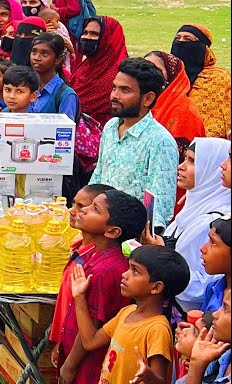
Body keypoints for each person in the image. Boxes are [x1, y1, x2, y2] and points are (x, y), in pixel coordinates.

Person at [50, 188, 143, 384]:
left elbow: (91, 329)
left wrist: (69, 366)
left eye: (95, 209)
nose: (83, 210)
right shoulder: (94, 256)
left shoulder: (105, 271)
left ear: (112, 231)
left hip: (89, 364)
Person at [69, 244, 189, 384]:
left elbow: (160, 380)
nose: (124, 275)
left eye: (135, 271)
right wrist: (79, 297)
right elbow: (90, 342)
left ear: (156, 287)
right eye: (129, 267)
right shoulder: (127, 312)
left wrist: (150, 377)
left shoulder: (157, 329)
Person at [142, 138, 231, 311]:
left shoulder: (216, 222)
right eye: (185, 159)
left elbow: (204, 285)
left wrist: (162, 256)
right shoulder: (193, 206)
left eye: (192, 161)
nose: (181, 167)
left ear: (210, 169)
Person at [91, 58, 180, 228]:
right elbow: (99, 175)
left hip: (130, 235)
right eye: (114, 87)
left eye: (125, 90)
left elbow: (160, 206)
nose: (114, 95)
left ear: (147, 99)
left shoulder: (160, 141)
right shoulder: (111, 126)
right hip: (99, 225)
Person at [172, 24, 231, 139]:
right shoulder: (169, 76)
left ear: (203, 47)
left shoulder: (218, 78)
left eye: (188, 39)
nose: (181, 42)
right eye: (177, 38)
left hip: (206, 146)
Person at [70, 16, 129, 126]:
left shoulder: (117, 73)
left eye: (94, 34)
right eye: (85, 32)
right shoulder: (88, 64)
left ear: (108, 38)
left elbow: (78, 102)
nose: (87, 37)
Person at [142, 50, 207, 147]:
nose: (148, 74)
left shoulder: (185, 113)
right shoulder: (140, 103)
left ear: (172, 76)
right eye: (144, 69)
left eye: (156, 70)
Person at [29, 33, 79, 119]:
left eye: (44, 54)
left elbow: (65, 130)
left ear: (58, 59)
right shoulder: (27, 87)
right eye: (34, 52)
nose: (36, 57)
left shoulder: (66, 95)